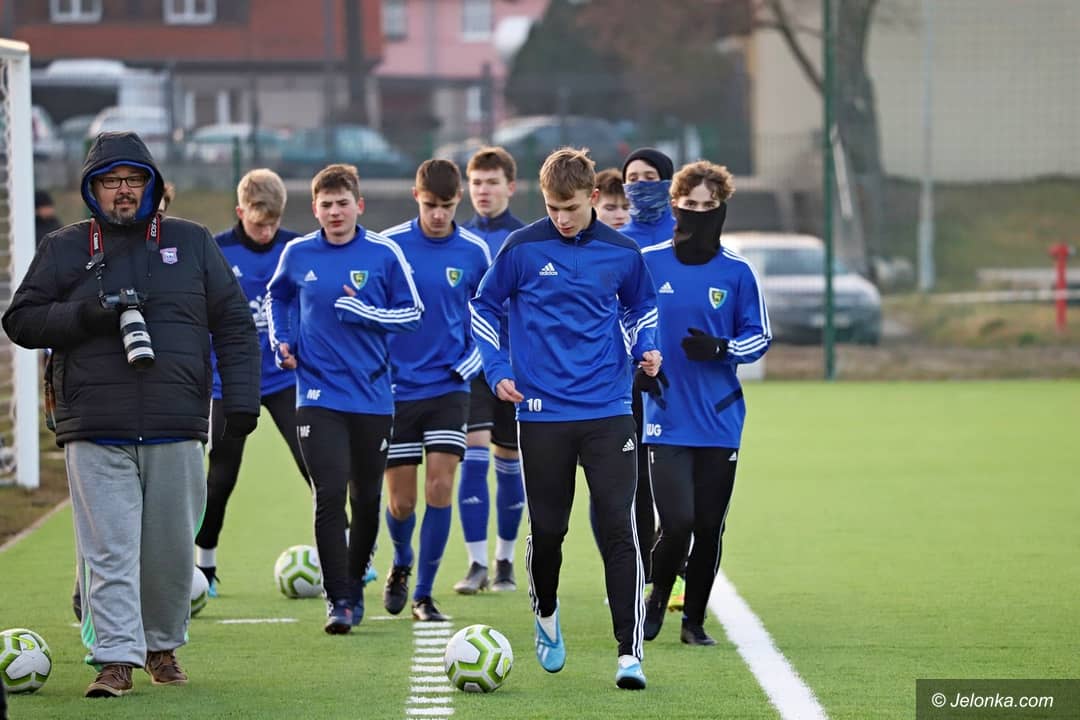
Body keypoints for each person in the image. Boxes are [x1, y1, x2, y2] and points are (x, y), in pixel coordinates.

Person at [2, 131, 261, 698]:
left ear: (152, 185)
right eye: (111, 181)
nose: (123, 190)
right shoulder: (65, 247)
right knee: (109, 549)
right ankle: (115, 658)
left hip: (177, 421)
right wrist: (86, 315)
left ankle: (161, 646)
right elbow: (20, 320)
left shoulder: (192, 241)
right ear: (91, 189)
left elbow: (235, 325)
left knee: (170, 551)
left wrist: (242, 400)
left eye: (133, 179)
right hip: (94, 424)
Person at [470, 147, 661, 690]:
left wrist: (646, 345)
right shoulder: (521, 248)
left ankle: (629, 655)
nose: (561, 218)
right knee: (550, 531)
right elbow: (483, 306)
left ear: (593, 198)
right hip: (541, 412)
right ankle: (547, 615)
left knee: (619, 527)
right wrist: (496, 368)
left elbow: (641, 306)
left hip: (608, 409)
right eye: (553, 208)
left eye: (571, 208)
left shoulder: (623, 252)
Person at [265, 163, 423, 634]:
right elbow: (278, 299)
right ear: (315, 209)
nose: (335, 212)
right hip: (317, 394)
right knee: (330, 493)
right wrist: (282, 340)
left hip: (372, 396)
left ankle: (354, 585)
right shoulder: (297, 253)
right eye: (326, 204)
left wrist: (364, 311)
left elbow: (412, 314)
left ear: (359, 206)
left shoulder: (384, 253)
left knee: (367, 499)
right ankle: (338, 599)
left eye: (342, 203)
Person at [639, 160, 770, 645]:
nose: (698, 212)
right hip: (665, 414)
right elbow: (621, 324)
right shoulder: (647, 263)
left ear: (722, 208)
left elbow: (759, 336)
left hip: (719, 417)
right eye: (689, 204)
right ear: (674, 205)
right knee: (677, 523)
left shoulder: (737, 272)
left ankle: (693, 622)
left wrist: (722, 348)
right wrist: (638, 368)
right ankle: (657, 596)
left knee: (710, 526)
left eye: (708, 205)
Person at [379, 159, 491, 621]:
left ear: (458, 199)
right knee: (402, 501)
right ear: (416, 197)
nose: (439, 214)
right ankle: (401, 561)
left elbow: (492, 316)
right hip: (395, 391)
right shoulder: (388, 247)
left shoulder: (475, 251)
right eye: (430, 205)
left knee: (440, 487)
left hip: (449, 388)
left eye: (446, 205)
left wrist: (474, 361)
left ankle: (424, 595)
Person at [195, 169, 310, 594]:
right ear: (240, 212)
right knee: (221, 476)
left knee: (317, 464)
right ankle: (205, 566)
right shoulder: (215, 251)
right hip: (229, 380)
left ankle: (350, 554)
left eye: (273, 223)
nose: (267, 231)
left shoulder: (297, 249)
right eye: (259, 223)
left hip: (283, 378)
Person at [454, 146, 527, 594]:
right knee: (473, 456)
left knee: (510, 461)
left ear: (510, 187)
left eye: (492, 182)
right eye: (477, 183)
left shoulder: (525, 239)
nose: (483, 191)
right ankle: (476, 563)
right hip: (473, 366)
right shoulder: (460, 240)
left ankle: (505, 560)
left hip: (517, 367)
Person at [620, 147, 676, 249]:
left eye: (650, 178)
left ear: (667, 184)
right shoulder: (618, 241)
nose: (640, 183)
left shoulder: (686, 234)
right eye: (633, 179)